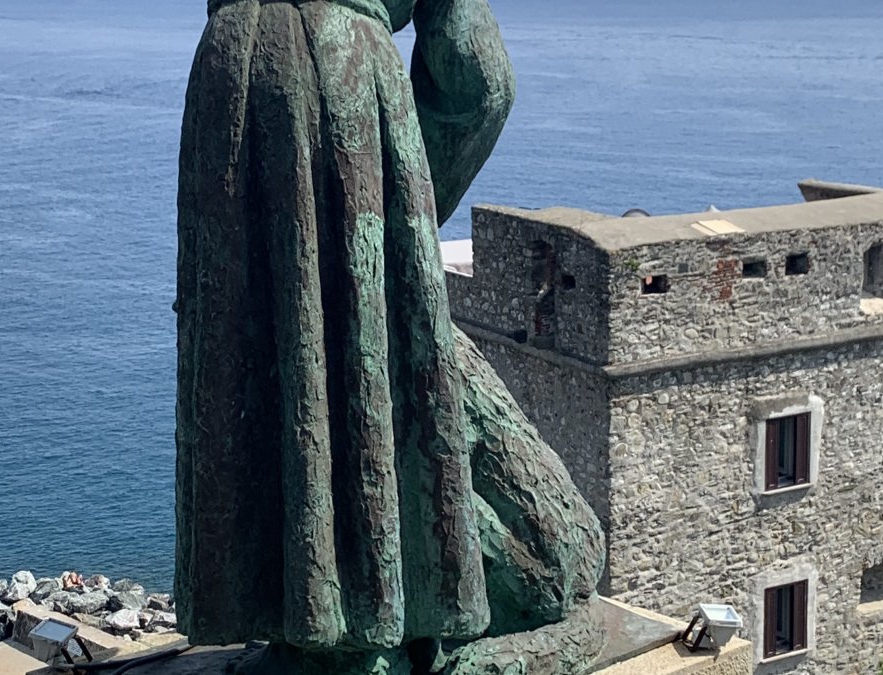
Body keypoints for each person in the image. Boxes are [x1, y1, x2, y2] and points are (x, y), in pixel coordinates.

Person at [175, 1, 604, 672]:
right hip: (346, 91)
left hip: (230, 87)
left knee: (259, 364)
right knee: (356, 373)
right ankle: (364, 639)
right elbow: (476, 79)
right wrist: (397, 211)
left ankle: (306, 626)